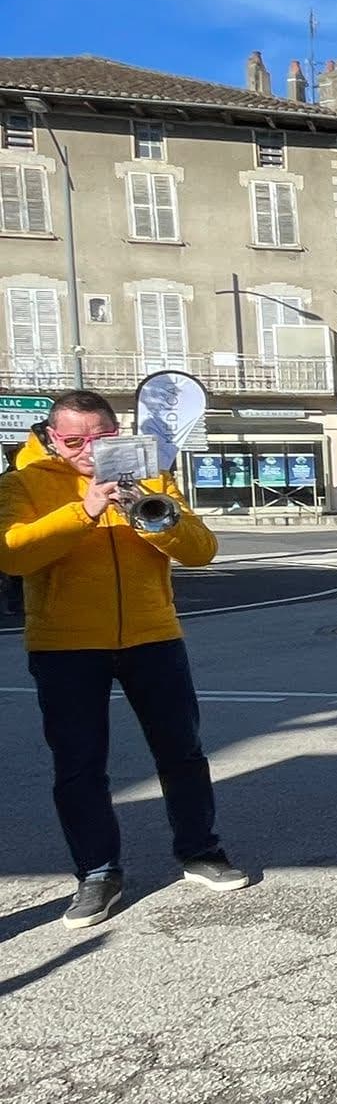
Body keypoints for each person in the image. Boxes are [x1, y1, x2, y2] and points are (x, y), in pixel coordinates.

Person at [0, 390, 245, 930]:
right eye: (74, 440)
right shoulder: (22, 483)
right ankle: (97, 873)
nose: (89, 449)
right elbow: (12, 554)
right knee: (80, 765)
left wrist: (150, 514)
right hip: (65, 644)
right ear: (53, 438)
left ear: (118, 432)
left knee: (182, 752)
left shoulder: (152, 477)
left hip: (153, 634)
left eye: (102, 437)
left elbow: (201, 551)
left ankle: (200, 851)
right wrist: (85, 509)